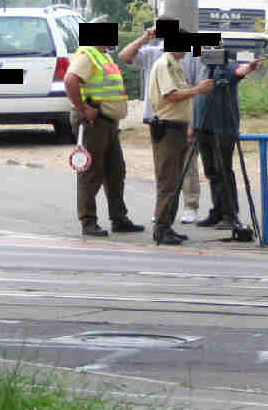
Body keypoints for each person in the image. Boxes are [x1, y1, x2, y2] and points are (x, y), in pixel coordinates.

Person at [118, 19, 203, 224]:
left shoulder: (191, 57)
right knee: (164, 169)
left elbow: (196, 93)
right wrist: (146, 37)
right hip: (161, 120)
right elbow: (125, 56)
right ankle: (164, 212)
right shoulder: (157, 56)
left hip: (181, 119)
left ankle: (188, 205)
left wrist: (193, 122)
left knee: (186, 165)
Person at [64, 36, 144, 237]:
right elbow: (70, 80)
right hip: (93, 122)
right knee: (91, 173)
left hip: (107, 122)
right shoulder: (87, 55)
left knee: (115, 171)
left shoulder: (104, 56)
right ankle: (88, 221)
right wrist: (83, 108)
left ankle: (119, 218)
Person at [147, 46, 214, 245]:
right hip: (167, 129)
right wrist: (198, 90)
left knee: (175, 181)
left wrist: (189, 126)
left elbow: (182, 101)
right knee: (167, 181)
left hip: (178, 128)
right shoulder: (164, 65)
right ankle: (161, 228)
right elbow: (171, 95)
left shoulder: (176, 65)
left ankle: (167, 225)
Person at [193, 54, 262, 229]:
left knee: (223, 169)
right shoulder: (203, 68)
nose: (202, 53)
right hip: (203, 127)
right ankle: (218, 210)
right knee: (211, 171)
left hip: (222, 128)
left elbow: (240, 71)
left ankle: (230, 214)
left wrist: (250, 67)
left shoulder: (228, 67)